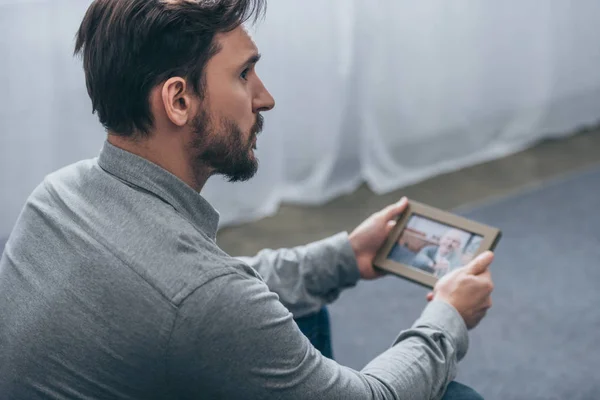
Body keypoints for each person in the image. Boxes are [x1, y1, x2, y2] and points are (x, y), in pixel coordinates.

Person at [0, 1, 495, 399]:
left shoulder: (58, 194)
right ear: (178, 100)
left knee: (303, 312)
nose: (265, 98)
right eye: (243, 75)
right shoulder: (200, 296)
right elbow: (208, 301)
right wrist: (448, 316)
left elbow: (203, 298)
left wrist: (345, 257)